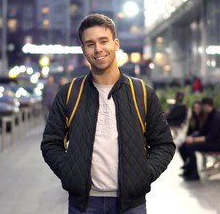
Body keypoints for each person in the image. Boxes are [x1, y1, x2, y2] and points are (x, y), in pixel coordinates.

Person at [41, 13, 175, 213]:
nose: (98, 49)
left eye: (104, 41)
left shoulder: (142, 93)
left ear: (116, 43)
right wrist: (70, 174)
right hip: (85, 204)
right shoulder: (70, 93)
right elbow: (51, 143)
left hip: (131, 204)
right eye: (90, 44)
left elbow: (163, 144)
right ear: (83, 50)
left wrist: (143, 175)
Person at [178, 97, 220, 181]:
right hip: (215, 142)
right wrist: (192, 137)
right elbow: (203, 131)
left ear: (206, 106)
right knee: (183, 146)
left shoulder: (217, 117)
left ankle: (194, 174)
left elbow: (211, 136)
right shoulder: (211, 115)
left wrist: (194, 140)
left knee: (190, 147)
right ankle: (189, 169)